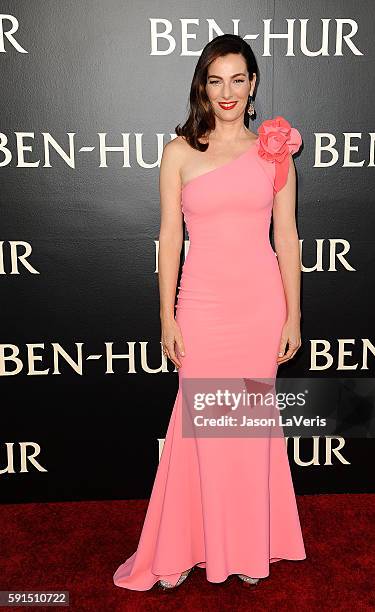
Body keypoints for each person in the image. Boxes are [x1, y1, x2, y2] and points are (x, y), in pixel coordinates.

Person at [113, 33, 306, 592]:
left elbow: (288, 236)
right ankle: (179, 549)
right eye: (215, 79)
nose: (227, 91)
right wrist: (167, 317)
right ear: (203, 85)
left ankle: (246, 548)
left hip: (258, 305)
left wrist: (293, 315)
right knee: (198, 425)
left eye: (238, 79)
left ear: (253, 87)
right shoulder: (179, 152)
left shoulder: (274, 149)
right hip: (200, 306)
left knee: (245, 427)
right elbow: (170, 238)